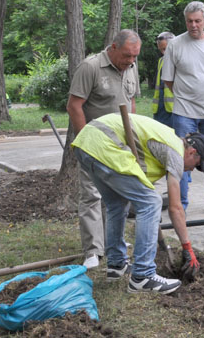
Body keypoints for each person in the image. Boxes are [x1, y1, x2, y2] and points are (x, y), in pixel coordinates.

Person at [72, 113, 204, 294]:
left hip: (87, 143)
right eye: (196, 165)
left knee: (117, 205)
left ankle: (116, 265)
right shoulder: (176, 152)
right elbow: (175, 207)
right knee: (151, 203)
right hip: (103, 144)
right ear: (192, 152)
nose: (191, 170)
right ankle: (142, 276)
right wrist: (187, 247)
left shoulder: (166, 142)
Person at [66, 29, 142, 269]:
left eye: (134, 57)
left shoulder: (131, 68)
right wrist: (87, 141)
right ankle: (93, 250)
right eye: (127, 56)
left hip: (120, 145)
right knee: (91, 194)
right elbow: (74, 106)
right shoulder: (90, 68)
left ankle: (113, 243)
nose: (130, 61)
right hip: (95, 143)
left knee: (118, 195)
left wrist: (133, 138)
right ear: (114, 47)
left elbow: (131, 103)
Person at [162, 1, 204, 215]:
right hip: (184, 112)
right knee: (180, 159)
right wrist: (187, 96)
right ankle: (180, 204)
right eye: (190, 21)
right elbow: (168, 80)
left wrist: (203, 94)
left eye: (197, 21)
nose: (193, 25)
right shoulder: (175, 45)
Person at [153, 32, 175, 127]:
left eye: (165, 49)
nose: (163, 52)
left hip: (174, 110)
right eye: (161, 50)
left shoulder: (180, 60)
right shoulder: (161, 61)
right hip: (160, 109)